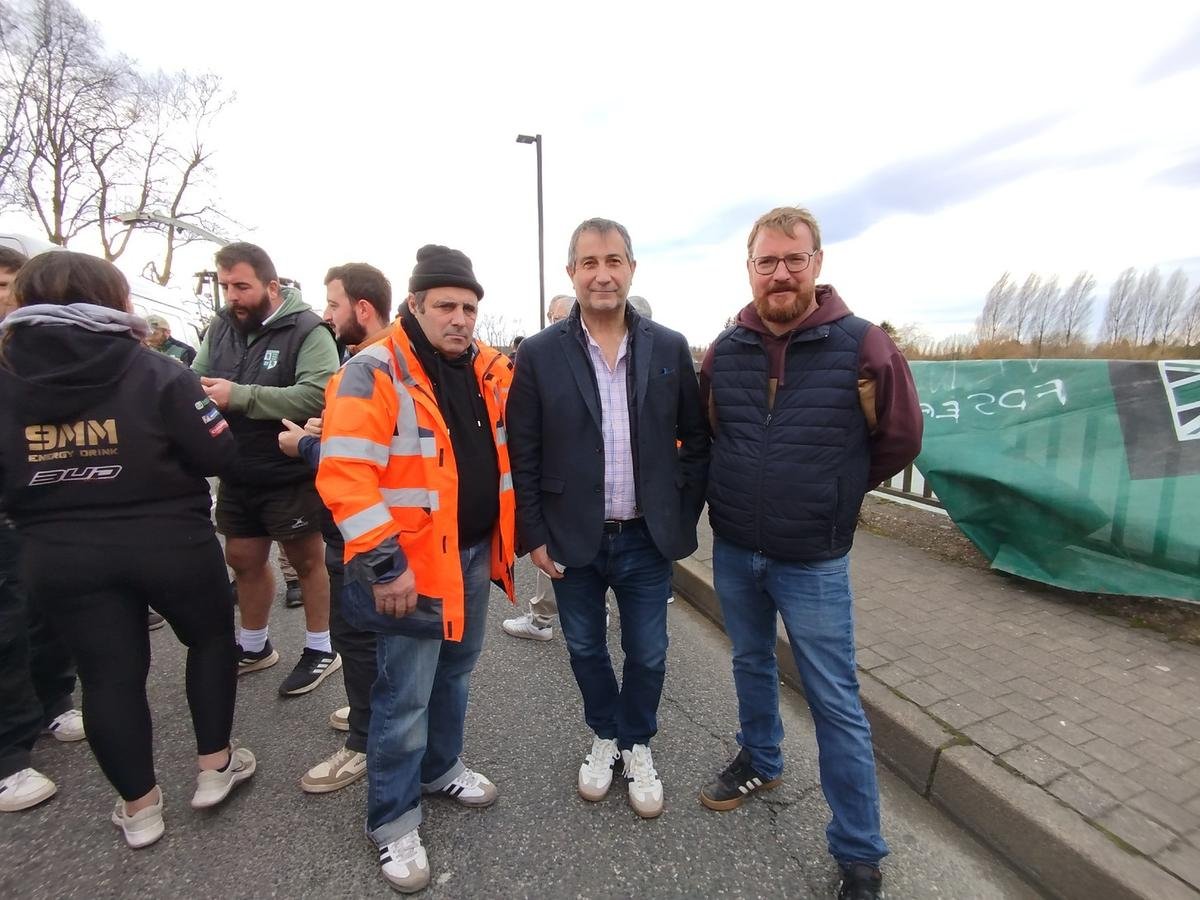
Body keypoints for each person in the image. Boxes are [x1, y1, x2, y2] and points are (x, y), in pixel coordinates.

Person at [698, 206, 923, 900]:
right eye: (767, 261)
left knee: (835, 701)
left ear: (817, 263)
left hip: (813, 559)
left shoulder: (864, 346)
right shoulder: (726, 349)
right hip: (736, 547)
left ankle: (859, 853)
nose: (781, 273)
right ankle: (761, 758)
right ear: (750, 269)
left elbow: (901, 437)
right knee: (749, 659)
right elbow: (711, 431)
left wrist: (837, 487)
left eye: (794, 259)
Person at [0, 251, 255, 848]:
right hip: (170, 540)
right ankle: (215, 767)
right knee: (211, 640)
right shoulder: (158, 372)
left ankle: (139, 809)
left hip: (57, 551)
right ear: (112, 301)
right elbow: (219, 456)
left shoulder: (5, 381)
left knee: (107, 676)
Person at [317, 244, 516, 893]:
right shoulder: (374, 371)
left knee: (454, 676)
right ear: (415, 305)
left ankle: (440, 768)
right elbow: (345, 473)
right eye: (446, 306)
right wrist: (385, 563)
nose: (460, 318)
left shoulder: (485, 369)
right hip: (408, 567)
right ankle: (393, 821)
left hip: (471, 556)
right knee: (403, 698)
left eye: (469, 306)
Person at [507, 219, 709, 819]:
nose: (603, 273)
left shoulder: (668, 346)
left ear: (631, 269)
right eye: (590, 262)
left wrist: (681, 510)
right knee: (587, 649)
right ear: (572, 271)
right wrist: (534, 534)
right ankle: (605, 735)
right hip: (574, 537)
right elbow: (523, 450)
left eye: (614, 260)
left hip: (647, 538)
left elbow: (696, 440)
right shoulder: (540, 353)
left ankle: (637, 741)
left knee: (648, 653)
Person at [193, 242, 342, 696]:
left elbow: (319, 394)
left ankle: (321, 647)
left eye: (242, 286)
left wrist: (239, 396)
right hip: (237, 467)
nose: (232, 297)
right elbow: (195, 376)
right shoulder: (221, 325)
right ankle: (254, 644)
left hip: (288, 469)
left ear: (271, 286)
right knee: (240, 557)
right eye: (225, 287)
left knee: (306, 560)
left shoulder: (307, 330)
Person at [279, 262, 392, 795]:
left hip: (360, 534)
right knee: (361, 637)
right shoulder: (366, 363)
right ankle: (372, 710)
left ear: (361, 310)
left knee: (362, 635)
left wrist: (303, 444)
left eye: (333, 305)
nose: (327, 315)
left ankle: (368, 741)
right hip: (345, 530)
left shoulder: (371, 366)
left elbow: (367, 462)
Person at [0, 245, 86, 814]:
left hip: (42, 504)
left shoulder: (39, 354)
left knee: (47, 603)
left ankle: (54, 698)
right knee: (4, 620)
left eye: (10, 283)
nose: (5, 296)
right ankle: (8, 754)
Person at [501, 292, 575, 642]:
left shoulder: (549, 357)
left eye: (559, 317)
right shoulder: (541, 355)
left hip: (566, 477)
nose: (555, 322)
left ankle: (542, 618)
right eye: (552, 316)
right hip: (560, 475)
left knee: (556, 547)